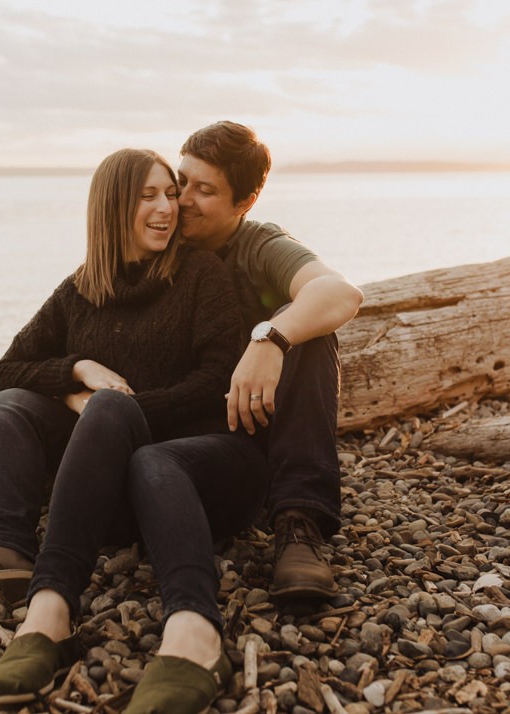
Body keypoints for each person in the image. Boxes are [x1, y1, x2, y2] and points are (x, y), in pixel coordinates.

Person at [0, 148, 269, 711]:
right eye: (147, 196)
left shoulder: (200, 274)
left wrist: (119, 411)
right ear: (110, 208)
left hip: (207, 472)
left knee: (124, 425)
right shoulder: (82, 287)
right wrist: (76, 372)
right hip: (115, 486)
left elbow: (217, 378)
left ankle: (150, 624)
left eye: (169, 194)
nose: (167, 208)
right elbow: (6, 371)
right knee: (9, 406)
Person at [173, 121, 364, 598]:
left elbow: (339, 292)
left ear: (244, 203)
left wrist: (270, 340)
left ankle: (300, 523)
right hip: (175, 429)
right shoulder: (159, 235)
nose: (182, 200)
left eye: (204, 190)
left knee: (308, 331)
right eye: (182, 181)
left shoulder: (258, 244)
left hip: (248, 429)